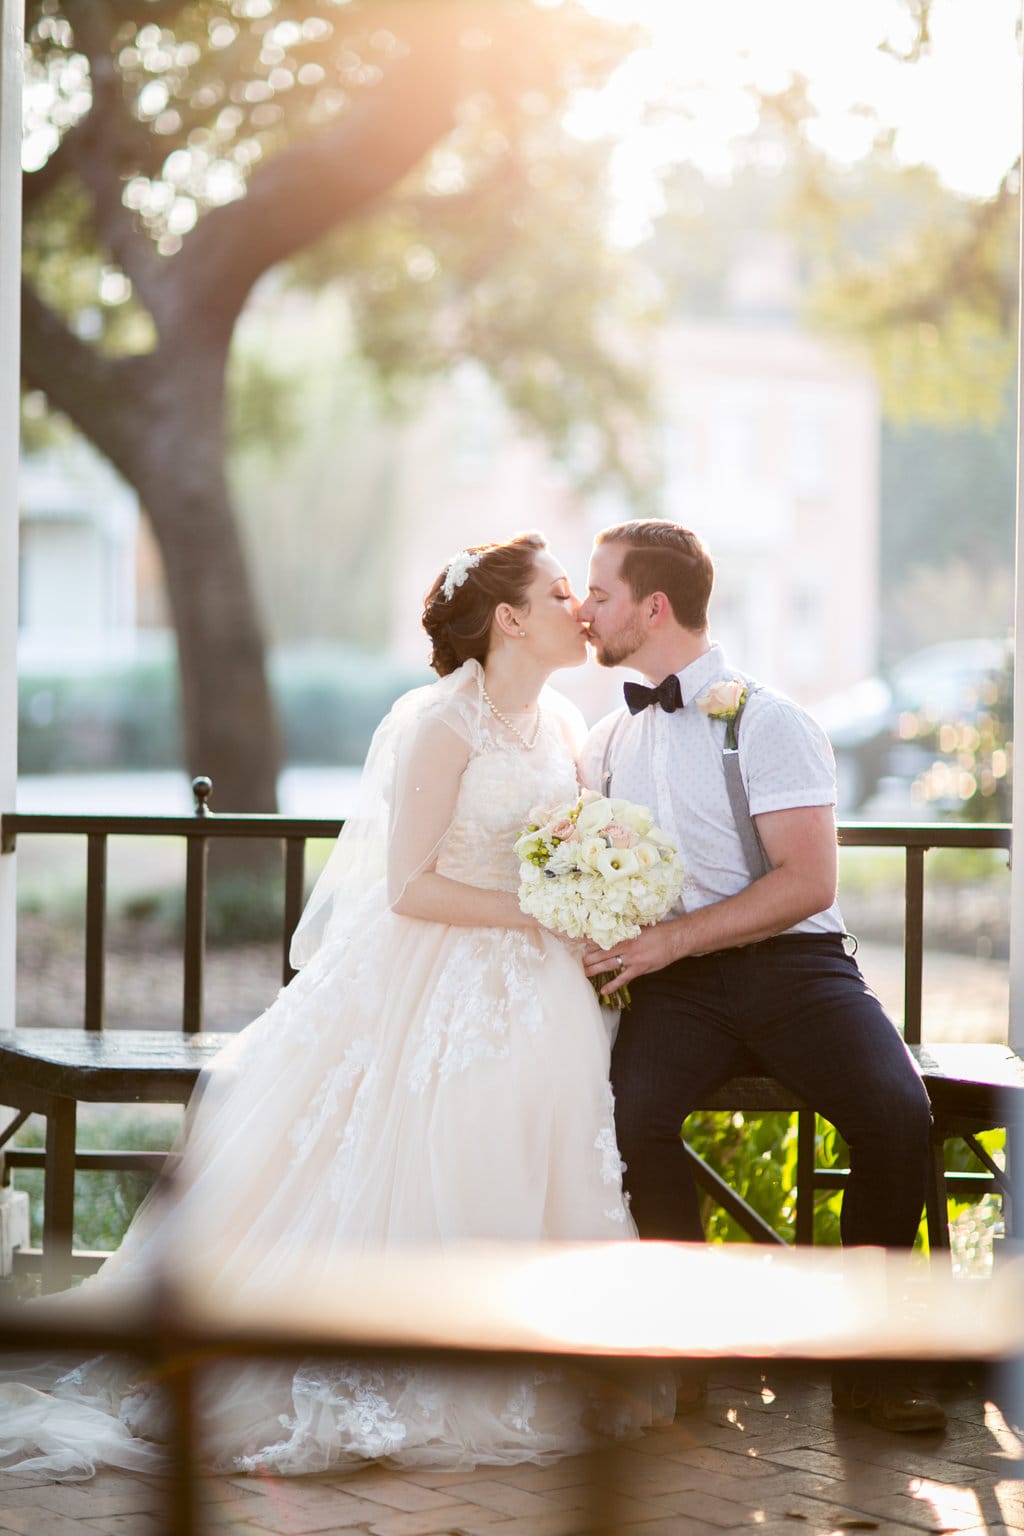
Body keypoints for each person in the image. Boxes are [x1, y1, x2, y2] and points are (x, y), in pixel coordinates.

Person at [0, 531, 674, 1480]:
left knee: (542, 1146)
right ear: (511, 618)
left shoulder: (564, 723)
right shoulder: (443, 724)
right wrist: (541, 911)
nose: (581, 607)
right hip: (439, 978)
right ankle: (398, 1361)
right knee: (433, 1144)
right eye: (563, 592)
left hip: (542, 992)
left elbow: (568, 842)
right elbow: (407, 887)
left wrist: (590, 899)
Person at [576, 519, 945, 1434]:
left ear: (653, 607)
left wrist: (669, 942)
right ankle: (684, 1351)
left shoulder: (770, 721)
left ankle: (872, 1369)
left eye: (601, 594)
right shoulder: (608, 740)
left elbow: (806, 883)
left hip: (796, 970)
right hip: (679, 991)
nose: (586, 612)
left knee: (897, 1117)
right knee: (630, 1121)